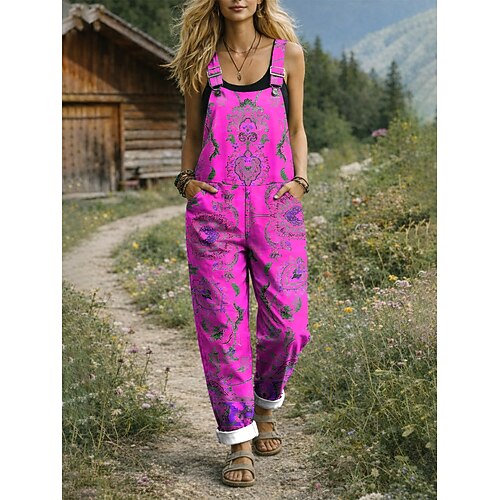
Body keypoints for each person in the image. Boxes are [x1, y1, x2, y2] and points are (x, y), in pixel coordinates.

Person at [165, 0, 311, 487]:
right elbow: (192, 133)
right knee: (223, 327)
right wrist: (187, 183)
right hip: (215, 213)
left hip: (276, 208)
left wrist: (301, 181)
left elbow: (296, 128)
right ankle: (239, 439)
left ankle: (266, 403)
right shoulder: (200, 60)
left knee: (288, 324)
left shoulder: (288, 56)